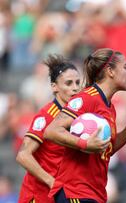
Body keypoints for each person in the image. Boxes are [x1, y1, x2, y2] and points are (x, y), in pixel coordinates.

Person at [44, 48, 126, 203]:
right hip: (76, 191)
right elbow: (51, 131)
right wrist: (84, 143)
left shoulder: (109, 107)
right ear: (110, 71)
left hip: (94, 193)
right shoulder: (87, 98)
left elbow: (109, 148)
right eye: (125, 67)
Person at [16, 54, 81, 203]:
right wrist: (52, 182)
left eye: (78, 83)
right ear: (54, 87)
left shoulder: (78, 114)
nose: (75, 88)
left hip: (62, 194)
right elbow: (23, 155)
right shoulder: (46, 116)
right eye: (69, 83)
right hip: (38, 195)